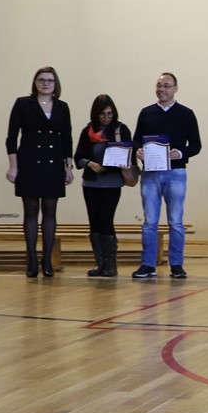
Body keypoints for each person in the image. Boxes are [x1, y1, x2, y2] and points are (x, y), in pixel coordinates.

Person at [5, 66, 74, 278]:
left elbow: (67, 139)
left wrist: (68, 168)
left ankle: (47, 260)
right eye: (41, 80)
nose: (46, 83)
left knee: (50, 212)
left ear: (56, 84)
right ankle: (32, 260)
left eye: (50, 80)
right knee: (31, 211)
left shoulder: (62, 106)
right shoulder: (23, 103)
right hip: (28, 163)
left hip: (53, 165)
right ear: (35, 83)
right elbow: (11, 137)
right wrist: (13, 166)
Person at [132, 72, 201, 280]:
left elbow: (196, 145)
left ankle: (176, 264)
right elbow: (137, 140)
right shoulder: (146, 113)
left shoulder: (186, 114)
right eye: (159, 85)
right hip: (150, 173)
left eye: (167, 86)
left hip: (176, 173)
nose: (162, 89)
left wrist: (180, 153)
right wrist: (138, 150)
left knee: (175, 221)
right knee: (150, 221)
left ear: (175, 88)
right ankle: (148, 264)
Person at [73, 94, 133, 278]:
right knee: (94, 222)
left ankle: (111, 265)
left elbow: (129, 152)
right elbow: (78, 157)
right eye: (102, 114)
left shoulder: (120, 129)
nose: (106, 118)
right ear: (95, 114)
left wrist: (123, 162)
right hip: (91, 182)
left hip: (111, 182)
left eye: (109, 114)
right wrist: (89, 163)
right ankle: (100, 263)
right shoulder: (88, 131)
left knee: (106, 220)